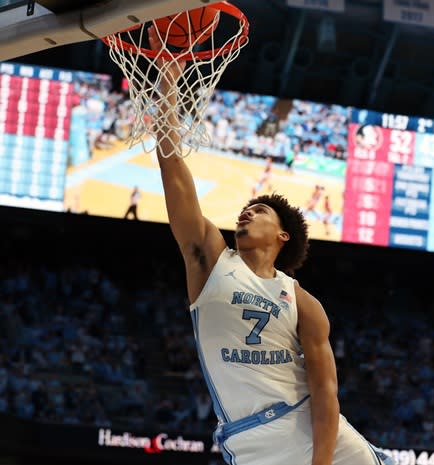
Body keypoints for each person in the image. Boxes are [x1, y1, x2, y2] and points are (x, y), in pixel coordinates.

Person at [147, 27, 394, 465]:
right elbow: (174, 172)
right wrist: (168, 81)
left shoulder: (304, 302)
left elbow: (324, 393)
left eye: (259, 211)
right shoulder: (210, 259)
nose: (247, 212)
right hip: (251, 442)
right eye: (247, 208)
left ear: (283, 236)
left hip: (316, 434)